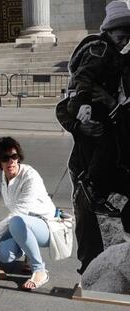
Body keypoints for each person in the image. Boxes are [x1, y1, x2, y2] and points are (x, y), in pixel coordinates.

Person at [56, 0, 130, 274]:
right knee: (89, 227)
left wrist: (115, 105)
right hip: (91, 164)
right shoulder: (108, 55)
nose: (125, 37)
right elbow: (65, 107)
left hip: (121, 172)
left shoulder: (120, 59)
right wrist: (80, 120)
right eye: (120, 31)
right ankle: (90, 268)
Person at [0, 137, 56, 290]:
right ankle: (28, 248)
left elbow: (17, 214)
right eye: (5, 158)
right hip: (21, 224)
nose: (11, 162)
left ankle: (40, 270)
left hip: (46, 226)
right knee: (4, 255)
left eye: (14, 156)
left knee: (16, 220)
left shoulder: (30, 177)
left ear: (18, 157)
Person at [65, 0, 130, 206]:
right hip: (90, 105)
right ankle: (93, 184)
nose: (124, 43)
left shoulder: (115, 54)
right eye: (121, 38)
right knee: (105, 142)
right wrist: (83, 103)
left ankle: (95, 185)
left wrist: (113, 104)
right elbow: (82, 79)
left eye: (127, 39)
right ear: (110, 32)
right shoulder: (100, 50)